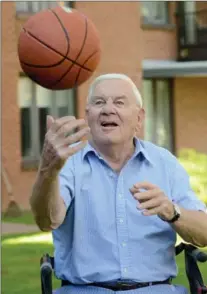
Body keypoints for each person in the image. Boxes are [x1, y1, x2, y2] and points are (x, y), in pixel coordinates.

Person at [30, 73, 207, 294]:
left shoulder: (164, 163)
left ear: (139, 118)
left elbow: (204, 233)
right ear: (88, 116)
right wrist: (49, 169)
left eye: (119, 102)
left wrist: (173, 212)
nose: (107, 109)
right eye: (99, 102)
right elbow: (47, 220)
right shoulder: (68, 164)